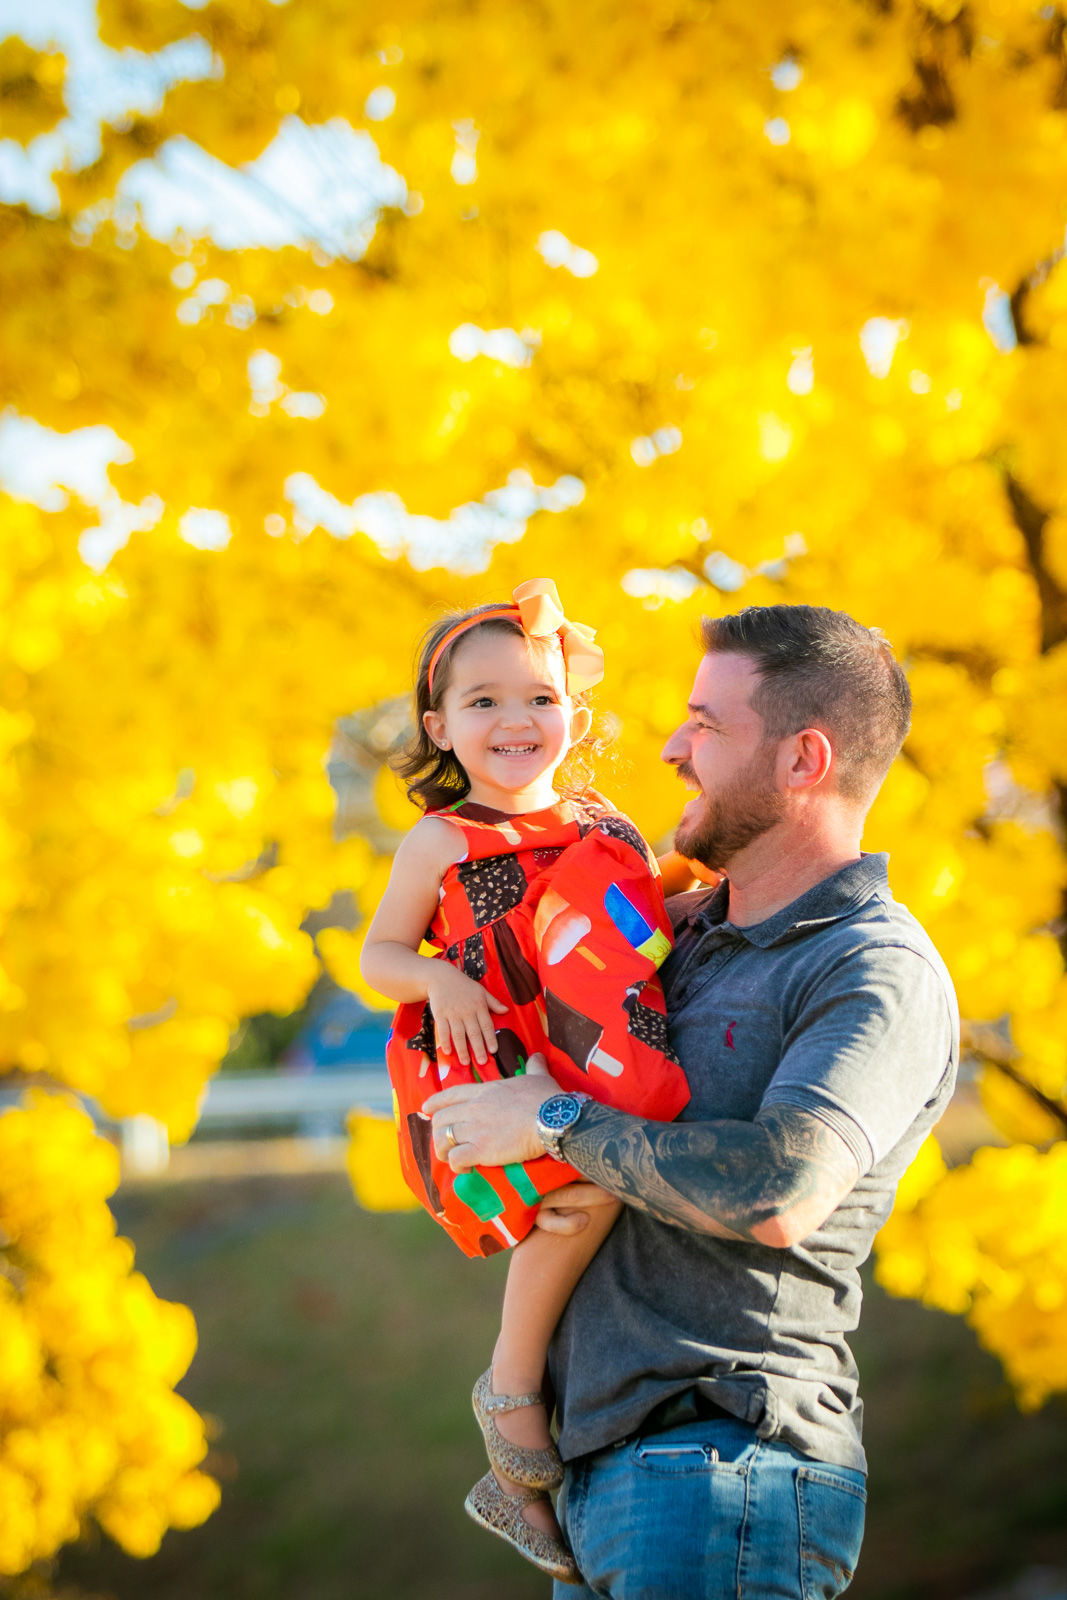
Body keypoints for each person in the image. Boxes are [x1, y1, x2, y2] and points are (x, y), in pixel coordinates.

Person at [424, 602, 960, 1600]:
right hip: (599, 1485)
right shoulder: (676, 937)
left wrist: (550, 1120)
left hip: (722, 1470)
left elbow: (779, 1188)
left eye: (705, 726)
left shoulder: (869, 967)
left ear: (803, 761)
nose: (670, 749)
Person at [360, 578, 690, 1585]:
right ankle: (509, 1403)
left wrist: (687, 873)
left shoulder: (605, 825)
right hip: (495, 1062)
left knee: (600, 1188)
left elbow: (638, 922)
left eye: (539, 697)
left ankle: (520, 1431)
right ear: (440, 725)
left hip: (591, 1050)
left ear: (574, 715)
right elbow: (376, 955)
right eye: (484, 700)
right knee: (577, 1196)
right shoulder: (442, 841)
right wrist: (432, 972)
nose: (516, 720)